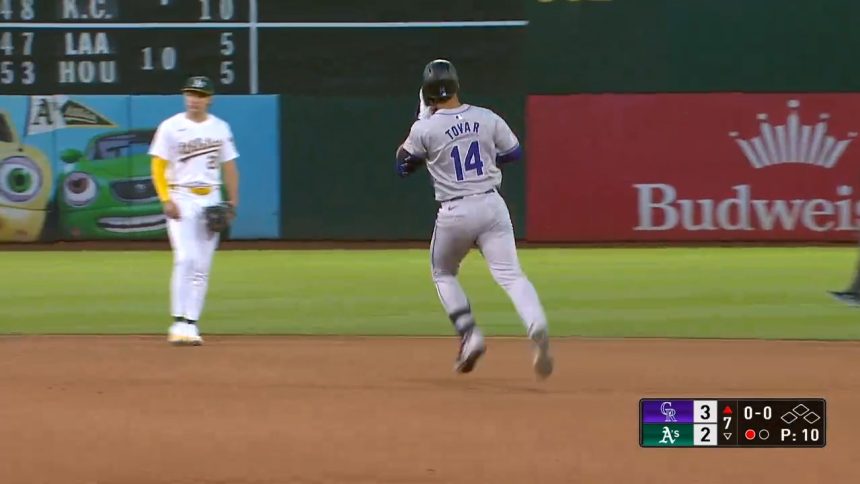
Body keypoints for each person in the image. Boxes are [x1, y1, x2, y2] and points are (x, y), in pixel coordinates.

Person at [395, 59, 553, 378]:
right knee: (511, 275)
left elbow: (402, 166)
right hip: (492, 205)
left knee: (442, 272)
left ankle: (470, 336)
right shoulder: (486, 117)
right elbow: (513, 153)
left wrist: (422, 118)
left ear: (427, 94)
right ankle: (536, 324)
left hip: (454, 211)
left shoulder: (425, 128)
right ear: (456, 86)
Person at [149, 75, 240, 345]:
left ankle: (191, 323)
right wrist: (165, 198)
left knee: (202, 265)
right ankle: (177, 322)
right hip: (181, 195)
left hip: (210, 197)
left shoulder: (220, 128)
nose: (194, 99)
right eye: (190, 94)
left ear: (209, 99)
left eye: (199, 95)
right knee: (185, 259)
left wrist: (232, 202)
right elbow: (157, 166)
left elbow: (230, 167)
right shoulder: (171, 126)